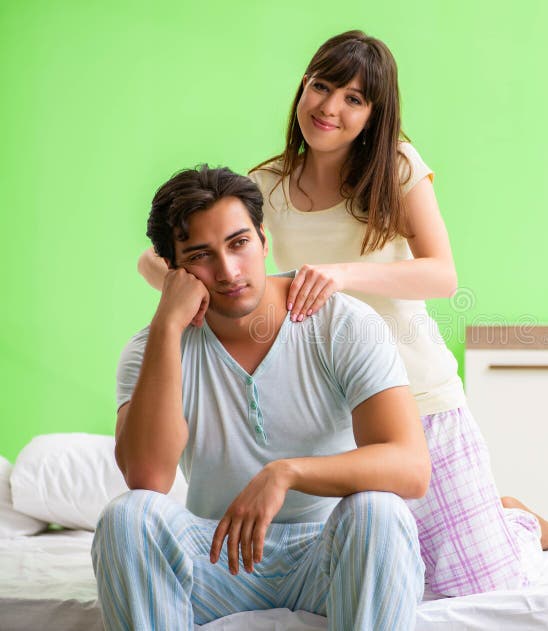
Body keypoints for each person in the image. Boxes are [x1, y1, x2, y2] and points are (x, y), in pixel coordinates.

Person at [139, 30, 548, 598]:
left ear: (373, 115)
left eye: (354, 99)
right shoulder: (265, 187)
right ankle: (489, 512)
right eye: (322, 87)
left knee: (478, 588)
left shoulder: (398, 169)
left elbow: (442, 274)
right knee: (392, 578)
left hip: (417, 396)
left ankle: (516, 521)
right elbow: (166, 255)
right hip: (334, 409)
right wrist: (186, 296)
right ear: (303, 89)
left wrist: (340, 275)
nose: (330, 108)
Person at [96, 165, 431, 631]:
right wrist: (168, 326)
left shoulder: (342, 324)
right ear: (174, 271)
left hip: (327, 559)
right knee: (126, 518)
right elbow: (147, 476)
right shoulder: (150, 348)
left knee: (380, 510)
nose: (229, 271)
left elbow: (411, 467)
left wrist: (287, 473)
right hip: (216, 560)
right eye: (200, 256)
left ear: (263, 240)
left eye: (239, 243)